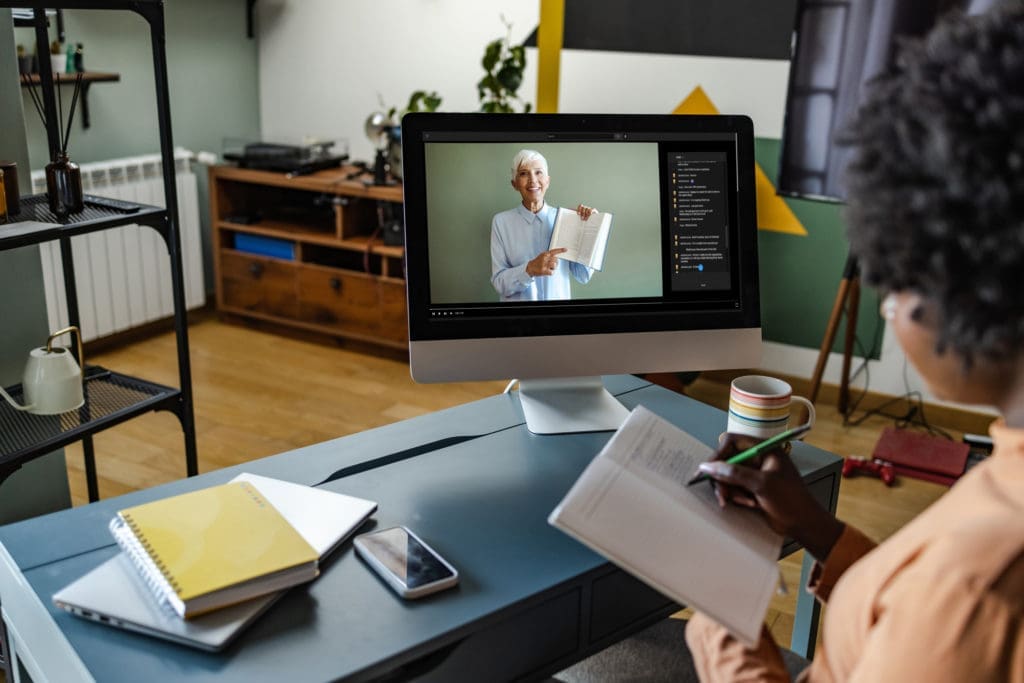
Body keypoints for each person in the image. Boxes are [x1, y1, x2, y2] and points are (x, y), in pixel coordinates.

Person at [685, 5, 1024, 681]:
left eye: (891, 289)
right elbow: (904, 613)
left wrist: (718, 608)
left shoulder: (969, 592)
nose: (887, 309)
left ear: (954, 290)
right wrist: (821, 531)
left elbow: (933, 616)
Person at [491, 149, 597, 301]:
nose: (533, 180)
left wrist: (590, 230)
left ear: (547, 180)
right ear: (514, 184)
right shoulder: (501, 222)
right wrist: (529, 270)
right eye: (523, 173)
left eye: (538, 172)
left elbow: (583, 275)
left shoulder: (567, 220)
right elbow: (499, 283)